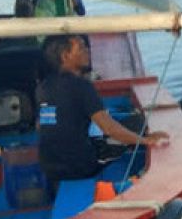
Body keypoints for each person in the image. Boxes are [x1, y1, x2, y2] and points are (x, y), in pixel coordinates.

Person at [37, 35, 168, 183]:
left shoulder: (44, 87)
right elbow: (108, 128)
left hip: (49, 166)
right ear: (66, 56)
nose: (88, 51)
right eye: (81, 48)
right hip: (80, 167)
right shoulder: (82, 87)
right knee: (137, 124)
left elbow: (42, 125)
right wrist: (145, 141)